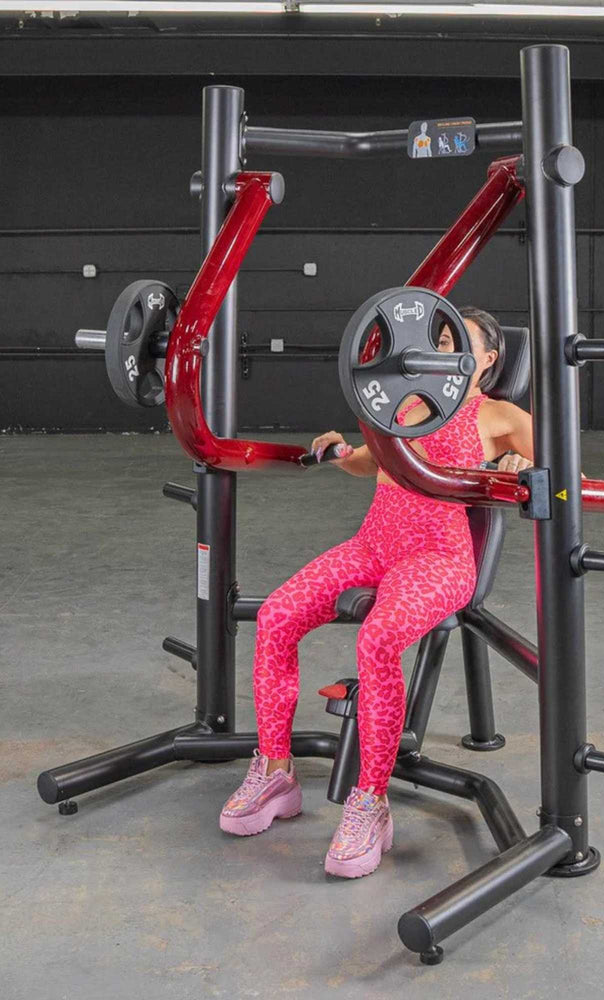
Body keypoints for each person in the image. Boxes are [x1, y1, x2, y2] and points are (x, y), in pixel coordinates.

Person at [219, 306, 535, 878]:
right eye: (437, 337)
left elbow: (567, 467)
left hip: (438, 556)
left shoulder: (499, 414)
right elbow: (372, 463)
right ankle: (274, 771)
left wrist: (520, 463)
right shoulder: (408, 403)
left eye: (456, 342)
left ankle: (372, 801)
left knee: (379, 639)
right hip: (375, 544)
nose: (440, 349)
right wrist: (340, 452)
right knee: (276, 615)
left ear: (487, 360)